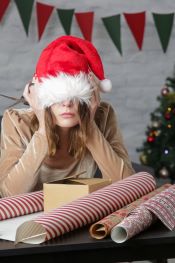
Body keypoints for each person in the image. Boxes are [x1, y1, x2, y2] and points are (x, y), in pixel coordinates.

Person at [0, 35, 134, 197]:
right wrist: (43, 129)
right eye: (57, 95)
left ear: (88, 96)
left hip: (79, 214)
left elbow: (127, 186)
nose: (67, 104)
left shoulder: (102, 116)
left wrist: (89, 125)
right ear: (43, 95)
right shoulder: (17, 121)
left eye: (76, 95)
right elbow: (9, 194)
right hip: (31, 217)